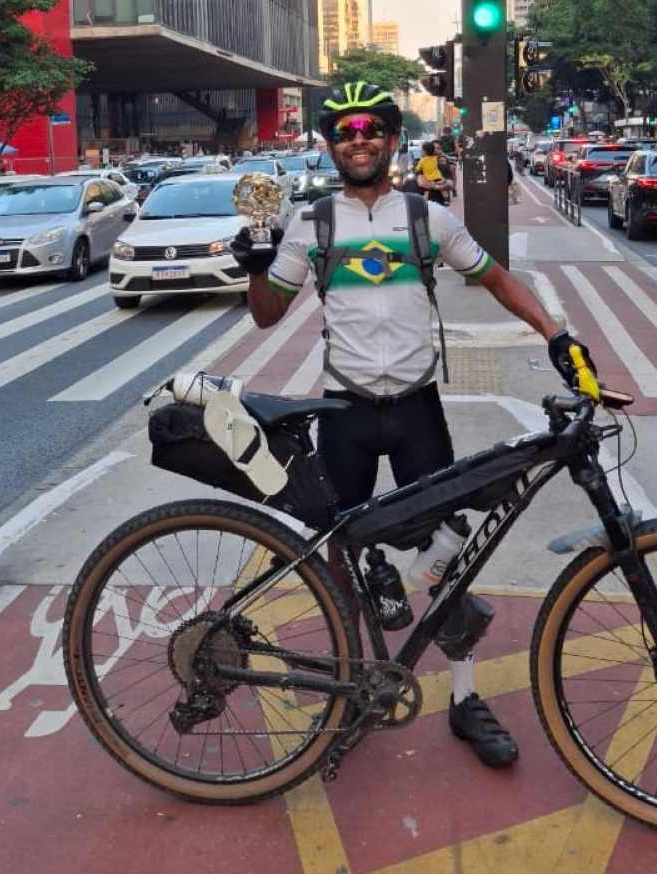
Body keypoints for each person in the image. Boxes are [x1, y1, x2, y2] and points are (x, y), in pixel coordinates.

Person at [231, 80, 594, 768]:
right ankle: (349, 686)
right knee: (336, 556)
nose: (359, 141)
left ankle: (464, 698)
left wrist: (556, 334)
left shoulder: (428, 218)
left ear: (393, 140)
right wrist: (253, 266)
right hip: (343, 411)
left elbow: (495, 278)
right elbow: (267, 315)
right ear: (328, 146)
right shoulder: (313, 223)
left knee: (449, 555)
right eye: (344, 132)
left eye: (371, 129)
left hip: (417, 409)